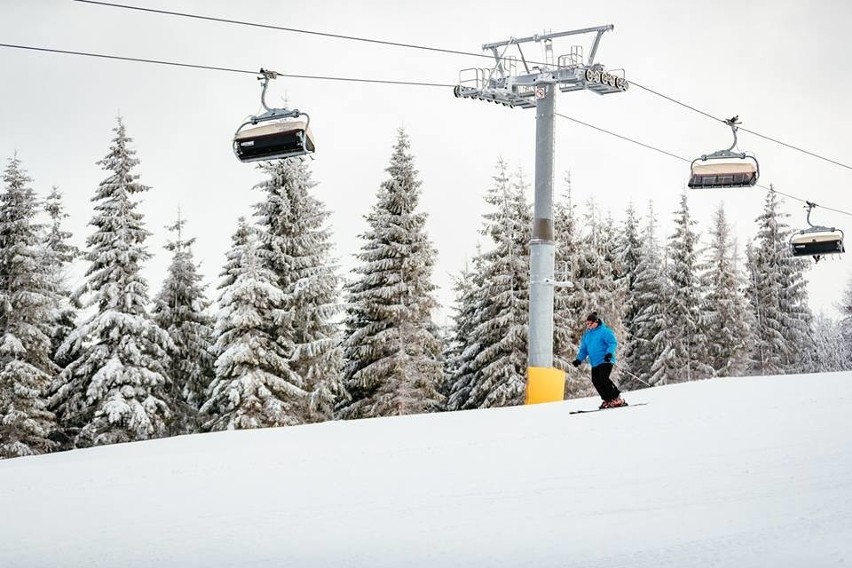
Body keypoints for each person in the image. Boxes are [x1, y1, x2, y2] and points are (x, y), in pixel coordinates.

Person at [572, 311, 627, 409]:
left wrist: (609, 353)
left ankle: (616, 398)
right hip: (595, 362)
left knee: (603, 378)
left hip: (605, 359)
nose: (588, 326)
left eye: (590, 323)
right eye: (587, 324)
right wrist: (579, 359)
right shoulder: (587, 336)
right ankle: (607, 400)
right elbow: (584, 349)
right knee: (596, 381)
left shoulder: (605, 331)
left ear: (596, 322)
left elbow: (612, 343)